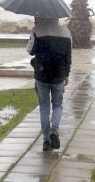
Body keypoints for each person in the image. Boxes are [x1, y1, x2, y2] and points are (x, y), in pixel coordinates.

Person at [26, 15, 72, 151]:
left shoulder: (37, 30)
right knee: (58, 106)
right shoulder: (66, 33)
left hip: (42, 75)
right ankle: (54, 130)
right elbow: (68, 56)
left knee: (44, 108)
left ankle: (46, 140)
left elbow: (30, 51)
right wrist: (66, 75)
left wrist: (35, 31)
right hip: (58, 75)